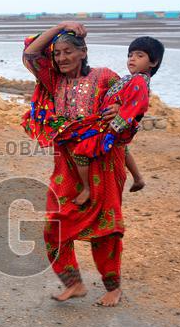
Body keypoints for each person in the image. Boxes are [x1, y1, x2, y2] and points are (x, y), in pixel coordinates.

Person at [22, 22, 133, 307]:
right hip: (66, 164)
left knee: (105, 228)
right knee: (54, 224)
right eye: (57, 53)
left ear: (83, 52)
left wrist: (119, 109)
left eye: (68, 52)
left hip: (103, 162)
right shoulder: (53, 81)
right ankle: (73, 283)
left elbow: (133, 101)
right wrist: (60, 26)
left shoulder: (105, 77)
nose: (61, 58)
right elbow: (31, 54)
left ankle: (113, 287)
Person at [55, 37, 164, 205]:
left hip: (112, 125)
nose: (132, 59)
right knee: (123, 149)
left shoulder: (139, 81)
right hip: (113, 122)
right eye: (130, 55)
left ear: (153, 62)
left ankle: (86, 189)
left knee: (80, 152)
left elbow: (135, 106)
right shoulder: (132, 79)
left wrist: (113, 128)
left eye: (139, 55)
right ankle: (138, 178)